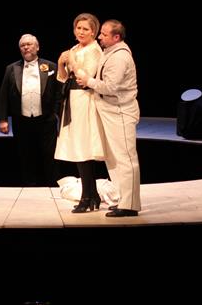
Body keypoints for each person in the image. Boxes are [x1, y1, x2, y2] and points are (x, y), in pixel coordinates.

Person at [76, 19, 140, 217]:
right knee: (113, 159)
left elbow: (111, 87)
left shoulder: (120, 57)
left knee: (125, 159)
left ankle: (130, 205)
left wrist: (88, 81)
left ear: (116, 37)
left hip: (120, 112)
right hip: (110, 111)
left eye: (104, 34)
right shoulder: (110, 51)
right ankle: (123, 199)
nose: (100, 37)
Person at [54, 12, 104, 213]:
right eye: (78, 28)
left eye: (85, 29)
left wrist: (72, 60)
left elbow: (85, 77)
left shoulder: (94, 50)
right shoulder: (74, 49)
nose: (81, 32)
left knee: (83, 148)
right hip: (72, 100)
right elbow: (62, 78)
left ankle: (87, 197)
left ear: (94, 32)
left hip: (85, 99)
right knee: (77, 147)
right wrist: (60, 62)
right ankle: (92, 195)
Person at [0, 33, 60, 186]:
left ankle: (53, 186)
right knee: (25, 155)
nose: (26, 47)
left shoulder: (51, 66)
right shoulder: (11, 69)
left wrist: (56, 113)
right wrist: (3, 119)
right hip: (22, 120)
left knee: (50, 155)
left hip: (46, 120)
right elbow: (3, 95)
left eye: (29, 44)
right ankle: (29, 187)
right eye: (22, 45)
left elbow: (58, 92)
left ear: (37, 47)